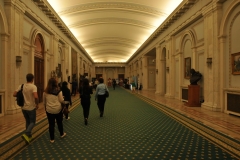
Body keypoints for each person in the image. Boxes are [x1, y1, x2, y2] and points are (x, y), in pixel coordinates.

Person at [13, 73, 39, 144]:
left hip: (23, 107)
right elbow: (36, 96)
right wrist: (37, 104)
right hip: (31, 107)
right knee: (33, 122)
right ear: (32, 79)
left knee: (28, 121)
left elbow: (14, 94)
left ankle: (29, 137)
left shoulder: (21, 86)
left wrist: (21, 96)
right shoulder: (33, 87)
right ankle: (27, 133)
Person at [43, 78, 66, 143]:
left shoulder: (45, 92)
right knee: (59, 122)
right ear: (55, 83)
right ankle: (61, 134)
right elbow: (61, 100)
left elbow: (44, 102)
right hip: (57, 109)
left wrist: (46, 108)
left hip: (49, 109)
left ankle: (52, 139)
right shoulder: (59, 91)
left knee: (51, 124)